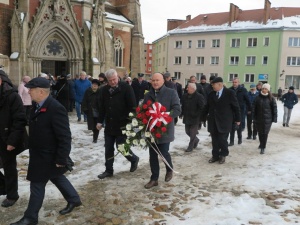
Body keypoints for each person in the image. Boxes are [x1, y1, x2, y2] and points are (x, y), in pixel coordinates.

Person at [11, 77, 81, 225]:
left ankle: (30, 217)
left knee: (36, 185)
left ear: (41, 92)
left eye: (31, 89)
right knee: (57, 177)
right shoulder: (36, 105)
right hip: (39, 154)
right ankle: (74, 199)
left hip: (48, 156)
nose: (28, 92)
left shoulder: (56, 108)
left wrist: (61, 159)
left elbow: (64, 137)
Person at [96, 69, 139, 179]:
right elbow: (102, 108)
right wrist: (100, 121)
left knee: (121, 147)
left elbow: (133, 106)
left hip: (123, 124)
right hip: (110, 125)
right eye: (110, 80)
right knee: (108, 149)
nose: (113, 82)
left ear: (117, 77)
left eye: (114, 79)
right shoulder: (104, 90)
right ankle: (109, 170)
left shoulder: (126, 88)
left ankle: (133, 159)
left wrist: (132, 122)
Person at [143, 73, 181, 189]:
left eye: (157, 80)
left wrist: (164, 116)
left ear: (163, 81)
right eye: (153, 80)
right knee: (152, 155)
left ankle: (169, 169)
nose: (155, 82)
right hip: (151, 130)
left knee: (163, 152)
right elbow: (143, 111)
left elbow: (177, 109)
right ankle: (154, 179)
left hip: (165, 129)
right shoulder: (148, 95)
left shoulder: (171, 92)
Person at [0, 70, 27, 207]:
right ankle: (3, 187)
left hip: (7, 138)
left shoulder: (12, 96)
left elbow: (20, 120)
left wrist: (12, 141)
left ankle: (12, 195)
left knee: (9, 167)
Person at [203, 77, 240, 164]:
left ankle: (223, 155)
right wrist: (202, 117)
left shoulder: (230, 93)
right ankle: (215, 155)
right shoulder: (211, 94)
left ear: (220, 84)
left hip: (225, 121)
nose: (212, 87)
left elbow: (236, 107)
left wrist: (238, 119)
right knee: (214, 140)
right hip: (213, 121)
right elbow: (207, 107)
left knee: (223, 139)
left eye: (213, 85)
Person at [252, 83, 277, 154]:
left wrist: (274, 118)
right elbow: (254, 107)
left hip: (268, 119)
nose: (264, 90)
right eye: (263, 88)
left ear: (268, 90)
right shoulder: (257, 97)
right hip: (259, 118)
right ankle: (261, 143)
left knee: (265, 133)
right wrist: (253, 116)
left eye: (265, 89)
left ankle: (263, 147)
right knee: (260, 132)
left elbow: (274, 108)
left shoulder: (271, 98)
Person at [180, 83, 205, 152]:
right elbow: (183, 106)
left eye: (188, 87)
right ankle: (196, 140)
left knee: (193, 133)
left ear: (193, 89)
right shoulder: (185, 96)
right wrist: (181, 113)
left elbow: (202, 107)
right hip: (187, 116)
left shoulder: (199, 96)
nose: (187, 89)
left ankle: (190, 146)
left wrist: (197, 115)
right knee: (187, 131)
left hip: (195, 118)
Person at [228, 78, 251, 146]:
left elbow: (247, 100)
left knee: (239, 125)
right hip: (232, 110)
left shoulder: (243, 90)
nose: (234, 83)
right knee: (232, 126)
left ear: (238, 83)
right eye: (233, 82)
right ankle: (231, 141)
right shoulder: (230, 90)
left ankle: (239, 138)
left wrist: (249, 108)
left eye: (236, 82)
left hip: (240, 110)